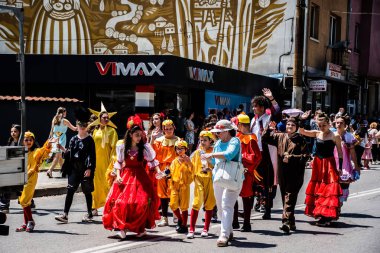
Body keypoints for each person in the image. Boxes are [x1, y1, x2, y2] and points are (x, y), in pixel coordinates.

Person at [103, 116, 160, 239]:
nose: (139, 138)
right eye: (137, 135)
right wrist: (117, 176)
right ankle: (122, 228)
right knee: (121, 202)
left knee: (140, 203)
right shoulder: (122, 147)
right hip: (126, 176)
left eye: (140, 135)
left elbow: (153, 161)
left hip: (140, 178)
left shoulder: (144, 148)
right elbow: (118, 163)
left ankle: (140, 228)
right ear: (130, 135)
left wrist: (159, 172)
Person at [262, 118, 309, 234]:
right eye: (288, 124)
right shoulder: (280, 136)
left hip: (295, 173)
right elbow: (265, 139)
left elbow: (306, 156)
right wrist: (269, 129)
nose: (290, 126)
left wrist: (292, 157)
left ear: (296, 127)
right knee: (285, 197)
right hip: (282, 172)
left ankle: (286, 222)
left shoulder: (301, 140)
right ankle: (291, 221)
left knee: (290, 196)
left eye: (293, 125)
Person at [300, 111, 343, 226]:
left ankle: (326, 215)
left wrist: (340, 167)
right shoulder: (316, 133)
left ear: (329, 124)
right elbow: (301, 131)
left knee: (328, 189)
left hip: (329, 164)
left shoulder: (335, 136)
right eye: (319, 125)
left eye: (324, 125)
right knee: (318, 188)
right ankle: (321, 213)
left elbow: (340, 152)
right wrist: (302, 120)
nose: (322, 127)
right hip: (318, 164)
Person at [202, 120, 241, 247]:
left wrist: (211, 154)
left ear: (227, 131)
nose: (217, 134)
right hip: (218, 177)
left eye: (219, 132)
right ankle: (229, 231)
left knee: (226, 204)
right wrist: (208, 161)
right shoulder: (218, 143)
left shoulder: (235, 141)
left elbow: (229, 155)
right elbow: (216, 162)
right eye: (216, 132)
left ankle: (223, 235)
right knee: (220, 206)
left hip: (233, 178)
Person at [55, 119, 96, 224]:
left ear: (87, 126)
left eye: (84, 124)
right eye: (80, 124)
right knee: (70, 190)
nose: (82, 126)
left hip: (85, 168)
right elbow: (69, 153)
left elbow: (92, 156)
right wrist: (62, 148)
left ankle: (89, 213)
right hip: (74, 169)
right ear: (77, 126)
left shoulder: (90, 140)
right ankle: (65, 215)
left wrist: (89, 168)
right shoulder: (73, 139)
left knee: (87, 191)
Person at [250, 88, 280, 220]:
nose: (253, 108)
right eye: (253, 106)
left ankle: (267, 209)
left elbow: (278, 111)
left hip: (266, 154)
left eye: (255, 106)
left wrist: (271, 98)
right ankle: (258, 202)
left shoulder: (269, 118)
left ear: (262, 108)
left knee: (267, 182)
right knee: (254, 181)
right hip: (254, 154)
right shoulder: (253, 120)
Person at [16, 131, 53, 232]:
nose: (28, 142)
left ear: (33, 141)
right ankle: (25, 222)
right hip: (20, 179)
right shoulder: (21, 151)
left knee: (24, 200)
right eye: (26, 140)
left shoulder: (36, 151)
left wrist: (48, 144)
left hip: (31, 178)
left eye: (30, 140)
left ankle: (31, 221)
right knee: (23, 201)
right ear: (23, 141)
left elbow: (44, 151)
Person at [232, 114, 261, 232]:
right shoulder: (238, 137)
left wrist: (242, 159)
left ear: (240, 125)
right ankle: (234, 222)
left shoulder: (251, 139)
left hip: (246, 172)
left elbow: (256, 157)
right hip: (235, 170)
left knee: (247, 197)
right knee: (233, 195)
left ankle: (247, 223)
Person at [88, 104, 118, 216]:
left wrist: (113, 162)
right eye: (104, 117)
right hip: (96, 162)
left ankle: (109, 206)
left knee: (107, 184)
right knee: (95, 185)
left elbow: (114, 148)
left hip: (107, 161)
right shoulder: (95, 131)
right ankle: (94, 207)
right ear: (99, 118)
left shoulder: (112, 131)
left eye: (107, 118)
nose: (106, 119)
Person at [187, 131, 216, 239]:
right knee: (196, 202)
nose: (202, 142)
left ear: (210, 141)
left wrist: (210, 165)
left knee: (209, 203)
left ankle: (205, 229)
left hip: (210, 180)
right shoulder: (197, 152)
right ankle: (191, 229)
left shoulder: (213, 151)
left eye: (205, 140)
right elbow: (191, 165)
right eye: (201, 140)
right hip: (199, 179)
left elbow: (216, 164)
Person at [152, 119, 180, 227]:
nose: (169, 131)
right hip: (162, 168)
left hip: (174, 168)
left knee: (173, 192)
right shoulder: (158, 141)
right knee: (162, 194)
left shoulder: (178, 141)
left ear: (174, 128)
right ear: (163, 130)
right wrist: (158, 170)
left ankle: (176, 215)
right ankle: (164, 218)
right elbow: (153, 156)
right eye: (166, 129)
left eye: (170, 128)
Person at [333, 116, 360, 206]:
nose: (339, 124)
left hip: (345, 165)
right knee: (332, 188)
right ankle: (334, 207)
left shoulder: (349, 136)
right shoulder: (331, 135)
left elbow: (353, 153)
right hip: (333, 164)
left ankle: (338, 206)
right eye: (337, 122)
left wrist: (356, 166)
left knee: (343, 187)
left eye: (341, 123)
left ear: (345, 124)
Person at [168, 140, 193, 234]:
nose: (179, 150)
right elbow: (171, 172)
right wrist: (166, 174)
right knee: (173, 204)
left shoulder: (188, 160)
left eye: (182, 148)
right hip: (175, 186)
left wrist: (189, 163)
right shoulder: (174, 161)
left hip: (184, 186)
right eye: (178, 149)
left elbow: (193, 171)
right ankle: (180, 219)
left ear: (186, 149)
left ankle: (184, 225)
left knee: (184, 207)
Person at [47, 107, 77, 178]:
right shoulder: (65, 120)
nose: (66, 113)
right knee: (57, 156)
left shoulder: (54, 119)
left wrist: (50, 139)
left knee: (59, 156)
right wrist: (80, 125)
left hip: (54, 138)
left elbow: (51, 130)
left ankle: (64, 170)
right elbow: (74, 129)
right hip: (61, 139)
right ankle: (50, 170)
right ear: (63, 112)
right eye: (65, 112)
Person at [1, 124, 22, 214]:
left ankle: (29, 203)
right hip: (11, 168)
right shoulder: (10, 142)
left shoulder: (22, 142)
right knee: (8, 187)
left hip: (20, 169)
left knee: (19, 188)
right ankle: (4, 206)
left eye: (15, 131)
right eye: (11, 131)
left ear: (20, 132)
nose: (13, 133)